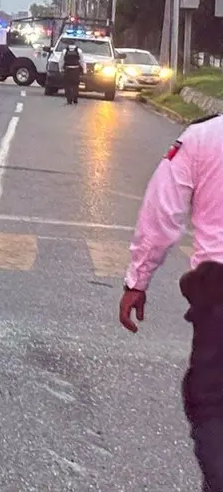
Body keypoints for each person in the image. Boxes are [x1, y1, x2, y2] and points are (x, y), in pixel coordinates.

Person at [121, 114, 223, 490]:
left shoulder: (202, 137)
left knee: (213, 406)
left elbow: (162, 211)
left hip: (219, 303)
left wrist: (137, 280)